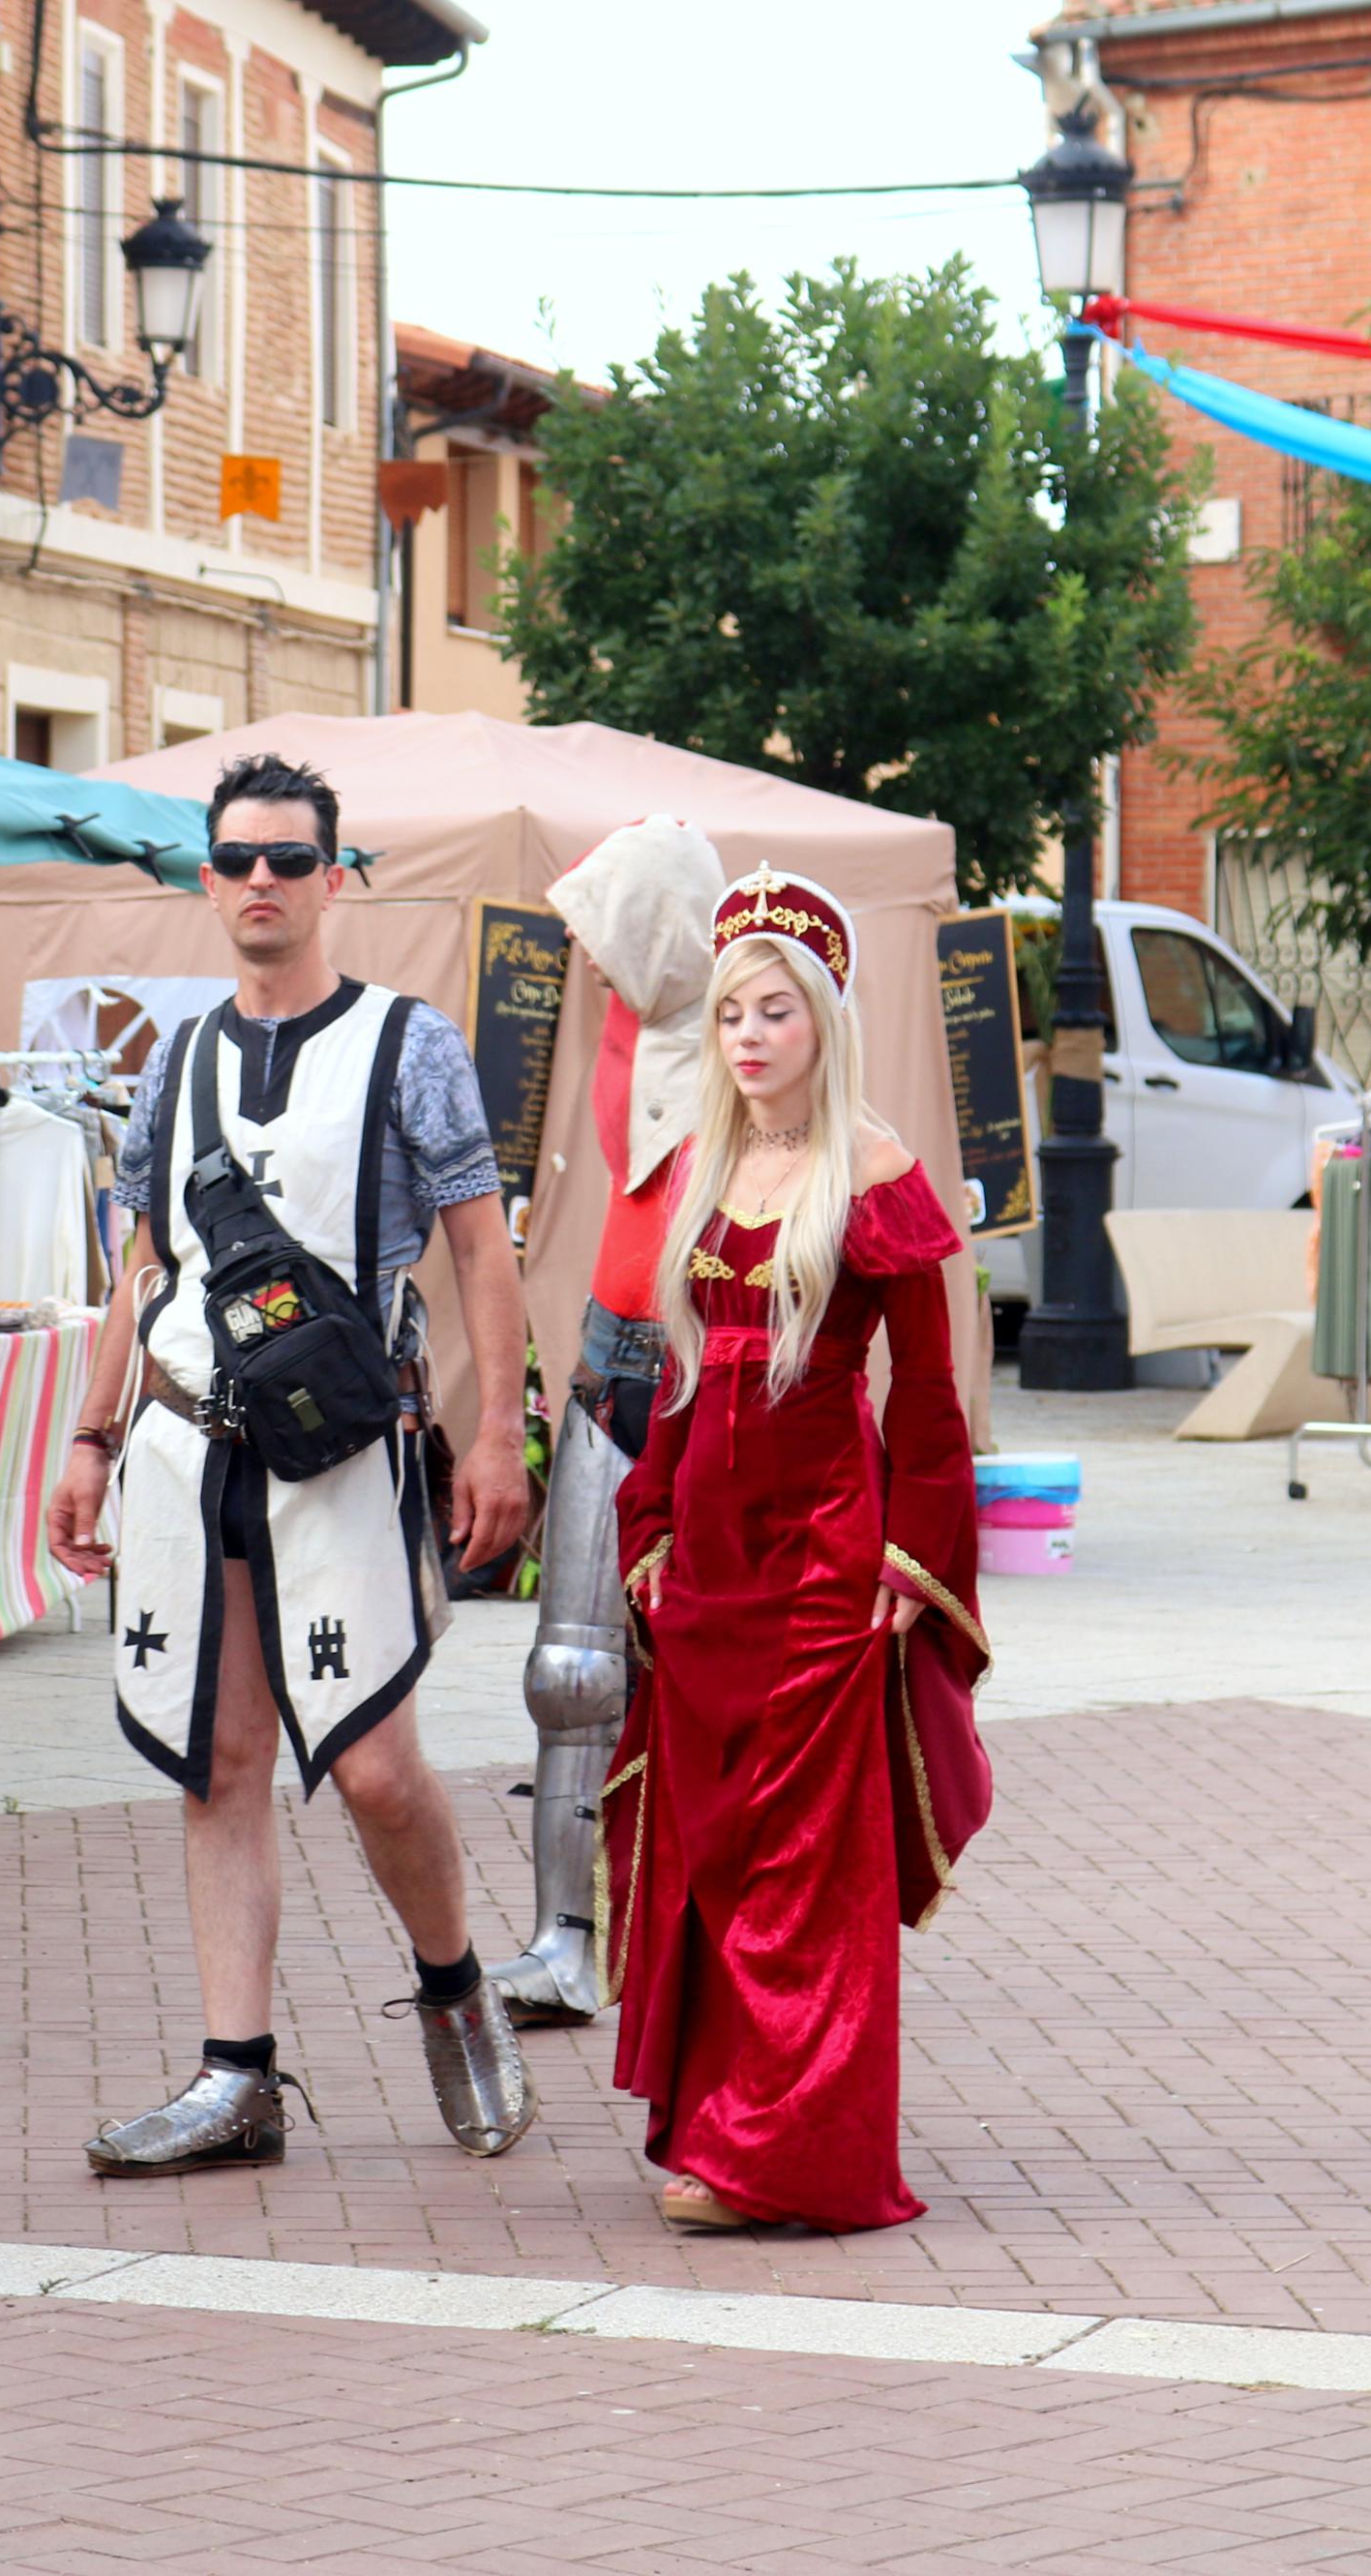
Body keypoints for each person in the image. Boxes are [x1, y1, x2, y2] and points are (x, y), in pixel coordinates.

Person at [42, 752, 541, 2174]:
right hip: (189, 1446)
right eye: (237, 858)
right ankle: (234, 2073)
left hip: (341, 1446)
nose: (261, 878)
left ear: (331, 877)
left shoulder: (408, 1041)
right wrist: (88, 1438)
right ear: (206, 880)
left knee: (378, 1767)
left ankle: (451, 1983)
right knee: (220, 1759)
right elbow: (142, 1268)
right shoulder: (176, 1061)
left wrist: (494, 1427)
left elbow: (478, 1248)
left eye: (289, 857)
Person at [603, 867, 990, 2233]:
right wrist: (645, 1523)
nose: (750, 1035)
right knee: (710, 1848)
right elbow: (677, 1376)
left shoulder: (874, 1176)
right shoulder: (705, 1171)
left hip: (826, 1549)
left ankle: (795, 2153)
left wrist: (911, 1559)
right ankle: (715, 2127)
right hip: (705, 1554)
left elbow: (931, 1401)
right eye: (728, 1014)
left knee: (807, 1866)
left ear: (823, 1019)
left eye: (775, 1009)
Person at [493, 814, 726, 2028]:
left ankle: (693, 1940)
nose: (583, 948)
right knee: (573, 1672)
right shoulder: (622, 1019)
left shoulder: (745, 1038)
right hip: (605, 1354)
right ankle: (562, 1939)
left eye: (603, 921)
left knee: (701, 1670)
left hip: (702, 1373)